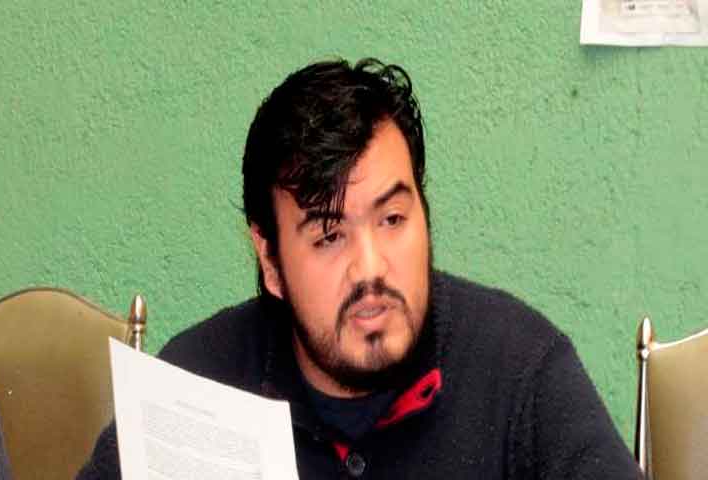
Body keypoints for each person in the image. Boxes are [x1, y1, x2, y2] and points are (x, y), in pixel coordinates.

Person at [78, 58, 642, 479]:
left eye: (392, 219)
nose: (370, 268)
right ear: (270, 260)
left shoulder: (520, 371)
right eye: (329, 237)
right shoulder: (196, 385)